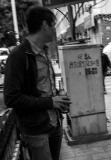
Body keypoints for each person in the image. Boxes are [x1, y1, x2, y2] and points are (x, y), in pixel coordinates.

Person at [3, 6, 71, 160]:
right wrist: (50, 102)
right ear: (45, 25)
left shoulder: (44, 51)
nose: (55, 30)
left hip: (55, 123)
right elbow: (11, 98)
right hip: (36, 130)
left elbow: (44, 87)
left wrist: (58, 97)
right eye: (53, 25)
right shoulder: (18, 56)